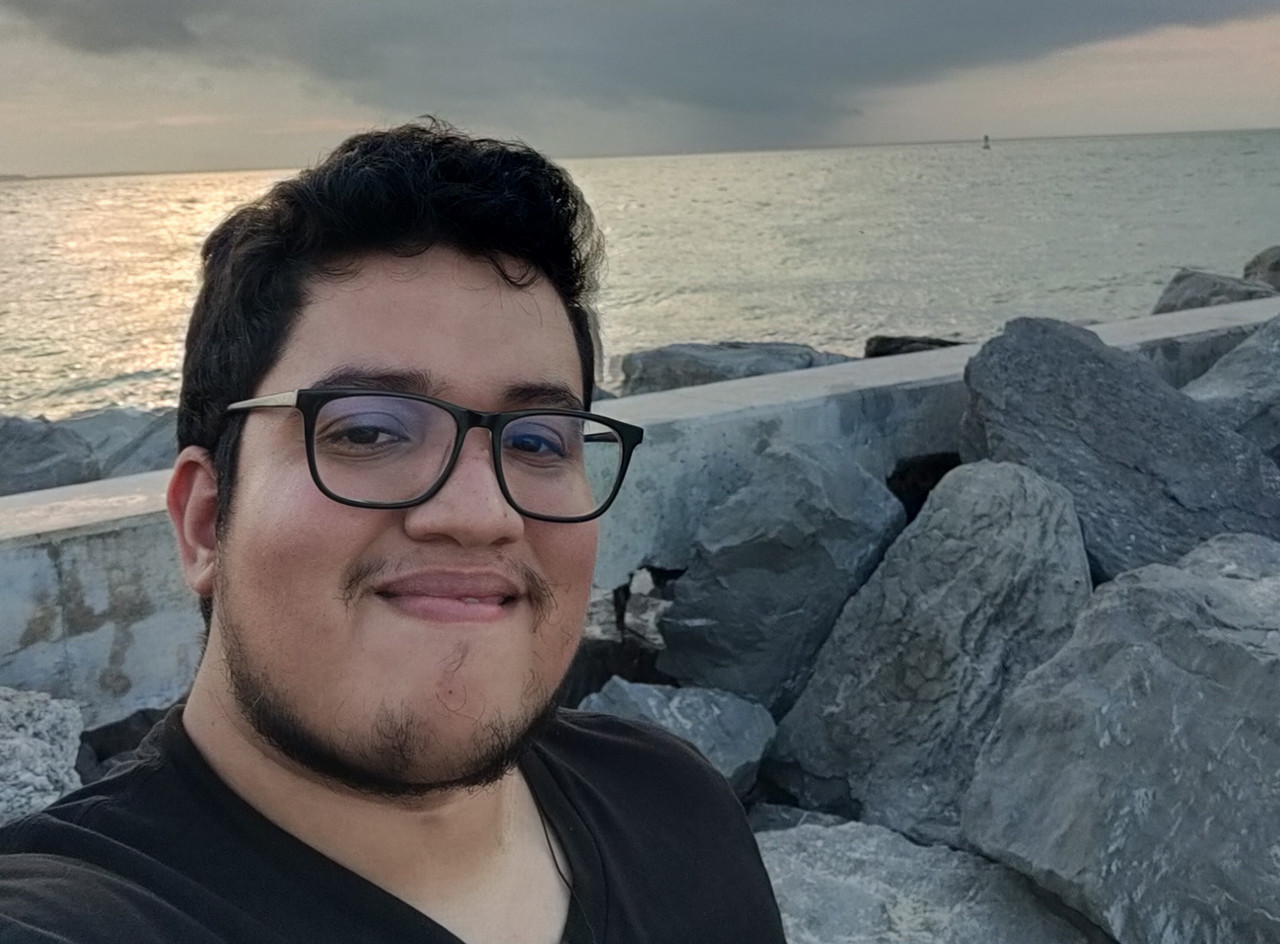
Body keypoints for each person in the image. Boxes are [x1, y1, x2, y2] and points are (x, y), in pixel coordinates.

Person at [0, 121, 786, 943]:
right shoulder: (78, 915)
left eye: (537, 441)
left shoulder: (674, 808)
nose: (482, 513)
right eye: (370, 431)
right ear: (205, 523)